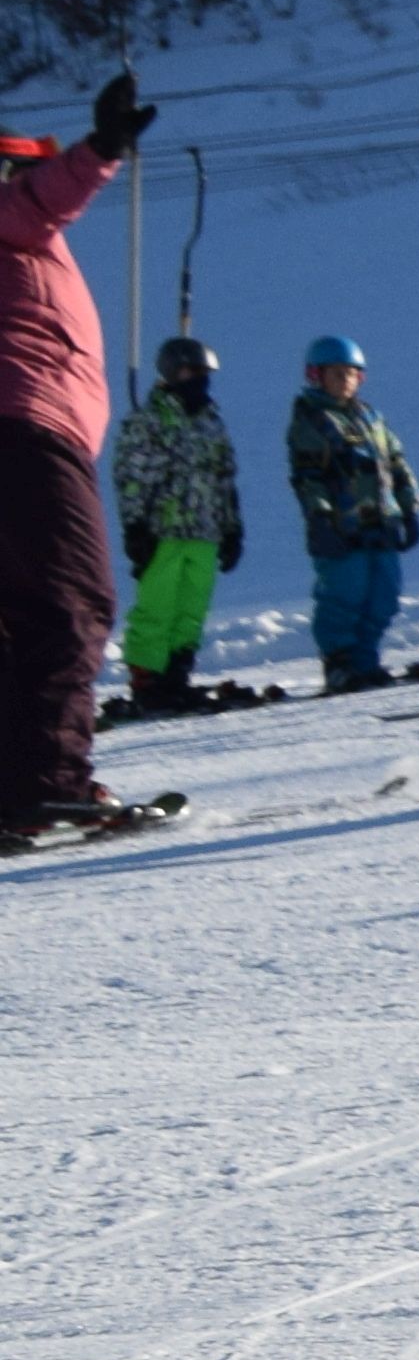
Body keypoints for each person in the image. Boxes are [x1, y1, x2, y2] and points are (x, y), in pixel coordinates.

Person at [0, 74, 147, 839]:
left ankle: (15, 783)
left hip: (25, 432)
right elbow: (40, 198)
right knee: (69, 604)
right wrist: (104, 149)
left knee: (18, 619)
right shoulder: (15, 218)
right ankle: (52, 780)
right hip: (26, 432)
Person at [108, 334, 245, 711]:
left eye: (204, 374)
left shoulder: (211, 422)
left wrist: (232, 527)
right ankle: (147, 679)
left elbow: (224, 477)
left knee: (192, 606)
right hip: (163, 531)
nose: (200, 381)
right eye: (191, 372)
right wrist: (136, 527)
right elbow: (132, 476)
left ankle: (176, 674)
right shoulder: (150, 420)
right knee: (157, 606)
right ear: (171, 373)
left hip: (205, 531)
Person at [286, 336, 419, 692]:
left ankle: (366, 660)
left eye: (350, 374)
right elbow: (308, 475)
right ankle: (339, 662)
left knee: (385, 594)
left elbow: (396, 463)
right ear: (317, 376)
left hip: (381, 521)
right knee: (345, 593)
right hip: (342, 526)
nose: (344, 381)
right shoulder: (312, 420)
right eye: (335, 374)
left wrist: (409, 508)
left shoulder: (370, 418)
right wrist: (319, 517)